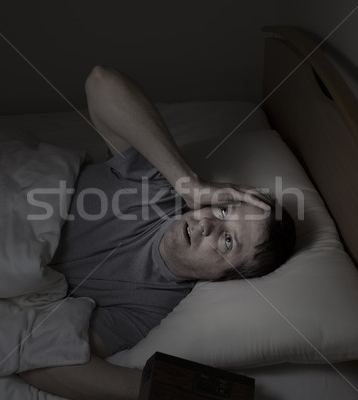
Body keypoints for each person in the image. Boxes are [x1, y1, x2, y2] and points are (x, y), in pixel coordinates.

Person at [19, 66, 295, 400]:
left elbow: (40, 359)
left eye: (227, 240)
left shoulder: (149, 310)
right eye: (224, 210)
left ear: (224, 277)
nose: (207, 223)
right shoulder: (160, 188)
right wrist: (189, 184)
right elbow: (101, 82)